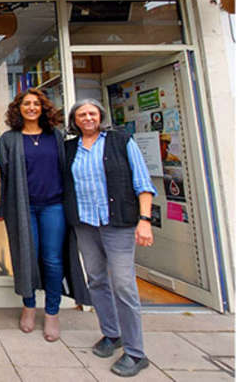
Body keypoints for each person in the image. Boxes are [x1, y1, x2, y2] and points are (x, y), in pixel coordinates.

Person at [64, 98, 157, 378]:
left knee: (124, 285)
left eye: (92, 113)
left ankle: (135, 352)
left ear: (100, 116)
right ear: (75, 120)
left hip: (118, 223)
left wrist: (145, 220)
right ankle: (111, 334)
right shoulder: (70, 148)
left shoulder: (121, 141)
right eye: (81, 114)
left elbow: (143, 183)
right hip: (85, 223)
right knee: (96, 279)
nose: (87, 118)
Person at [0, 89, 91, 342]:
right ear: (18, 109)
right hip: (22, 208)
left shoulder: (55, 137)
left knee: (52, 259)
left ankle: (51, 311)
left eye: (36, 104)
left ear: (43, 108)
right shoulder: (8, 139)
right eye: (26, 104)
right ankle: (28, 306)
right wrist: (1, 209)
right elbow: (2, 178)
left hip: (54, 207)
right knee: (26, 257)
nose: (31, 107)